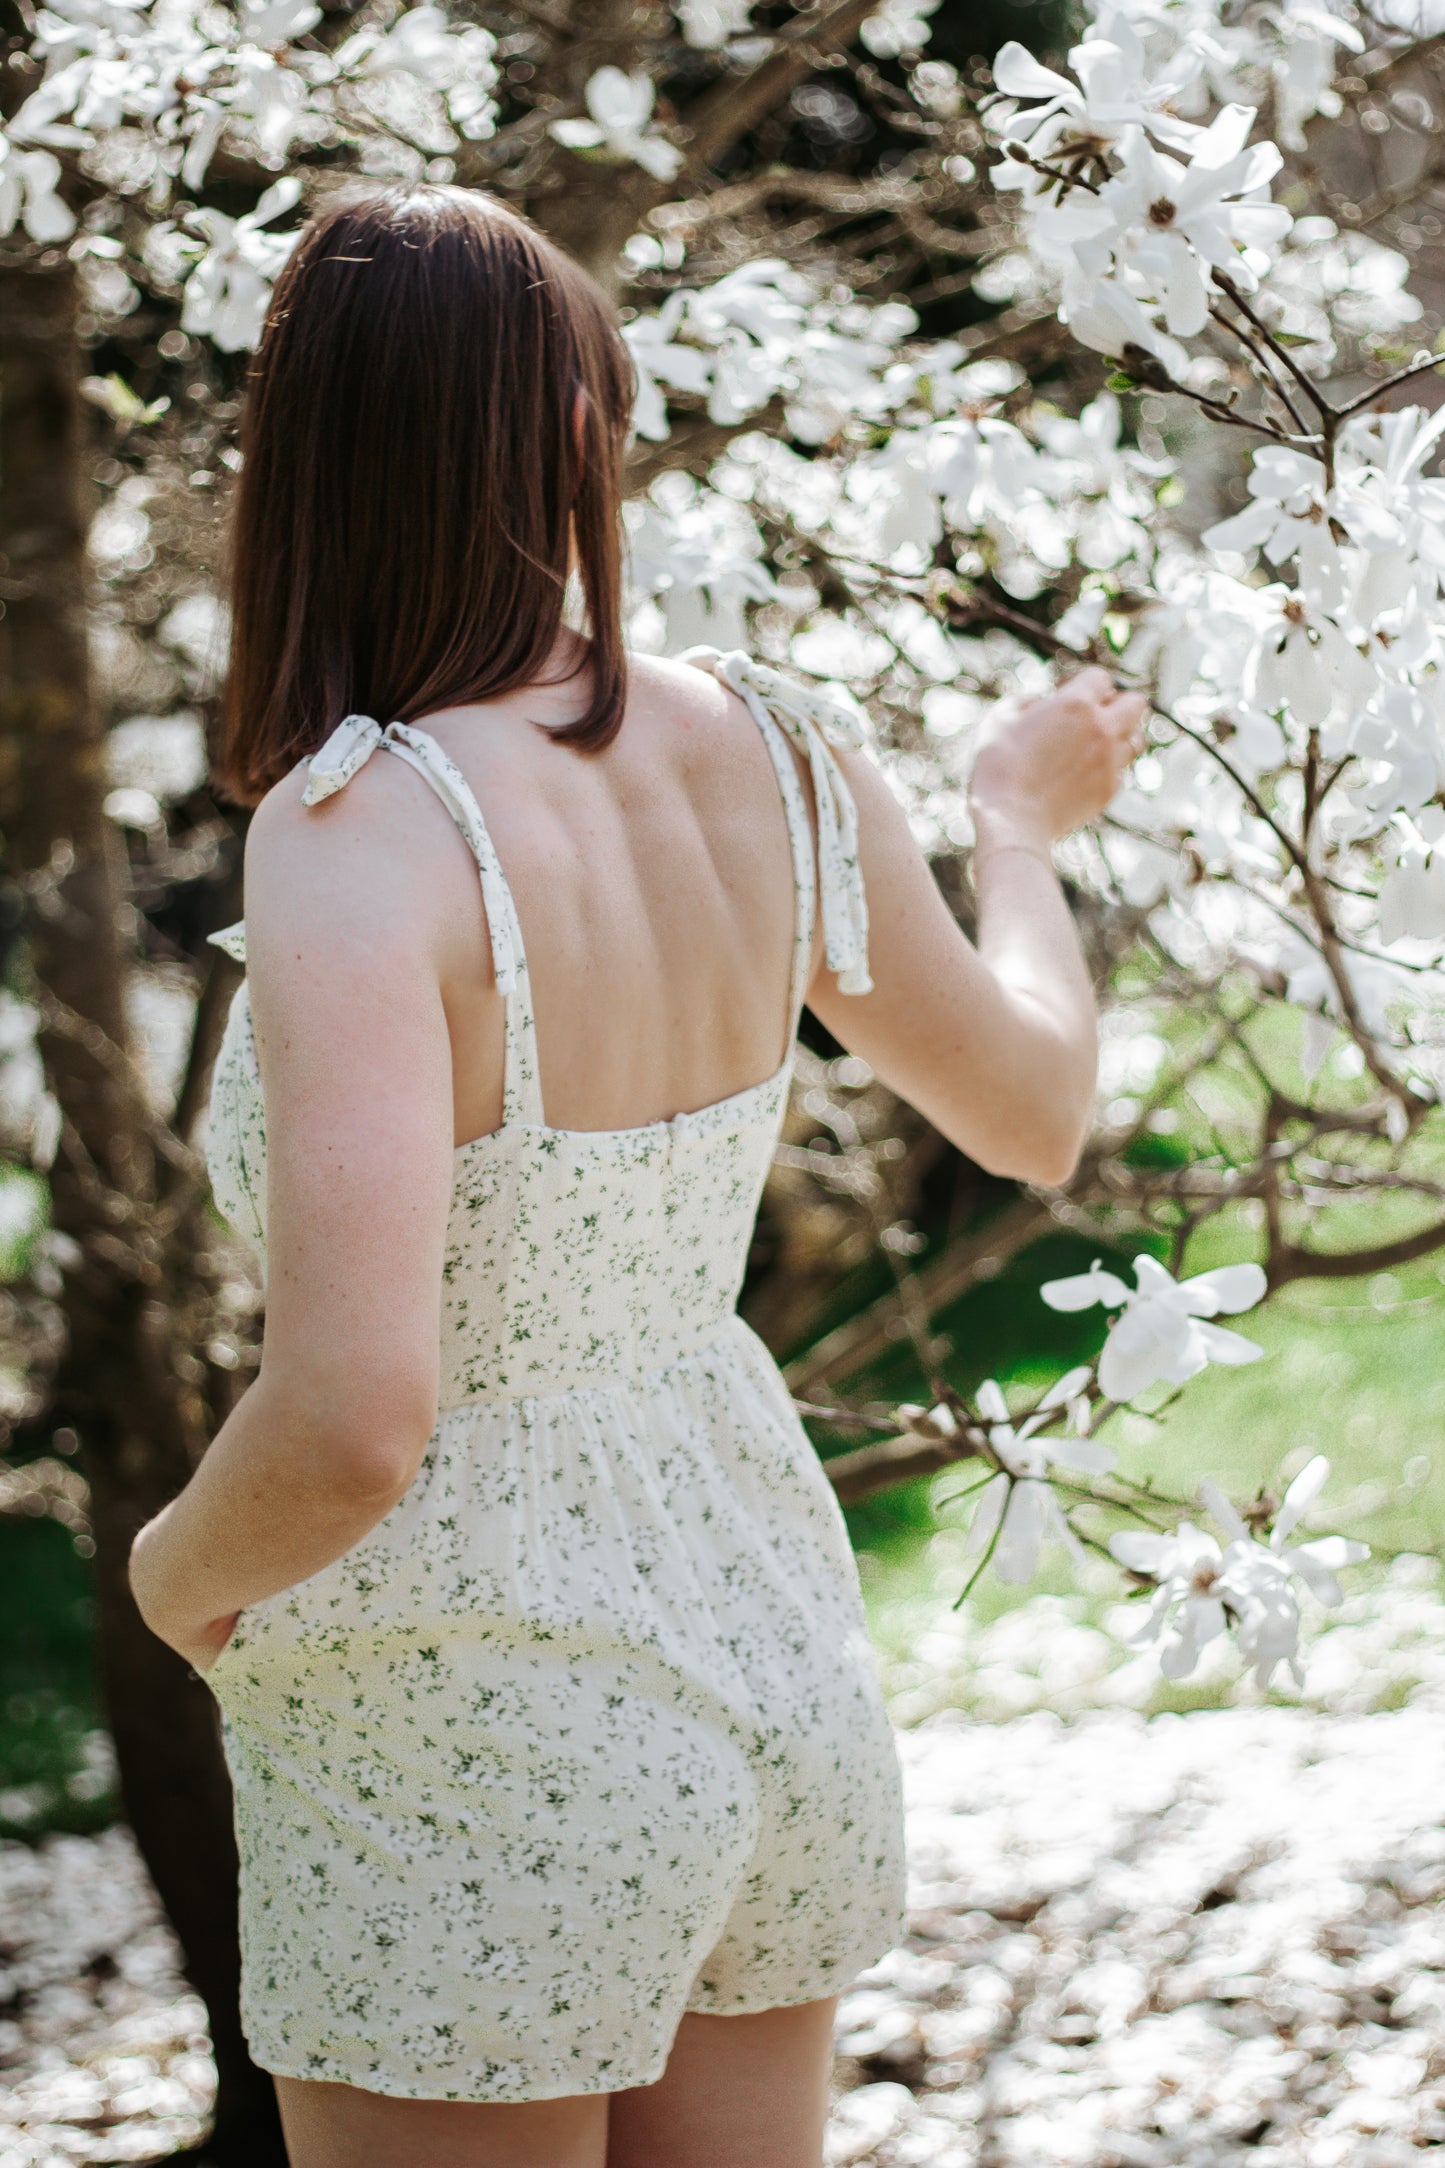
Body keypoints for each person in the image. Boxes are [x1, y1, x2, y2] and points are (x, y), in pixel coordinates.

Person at [129, 184, 1146, 2168]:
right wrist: (1014, 828)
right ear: (582, 432)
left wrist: (172, 1580)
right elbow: (1034, 1110)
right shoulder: (781, 749)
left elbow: (356, 1417)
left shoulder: (358, 834)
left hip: (473, 1708)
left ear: (305, 463)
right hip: (766, 1638)